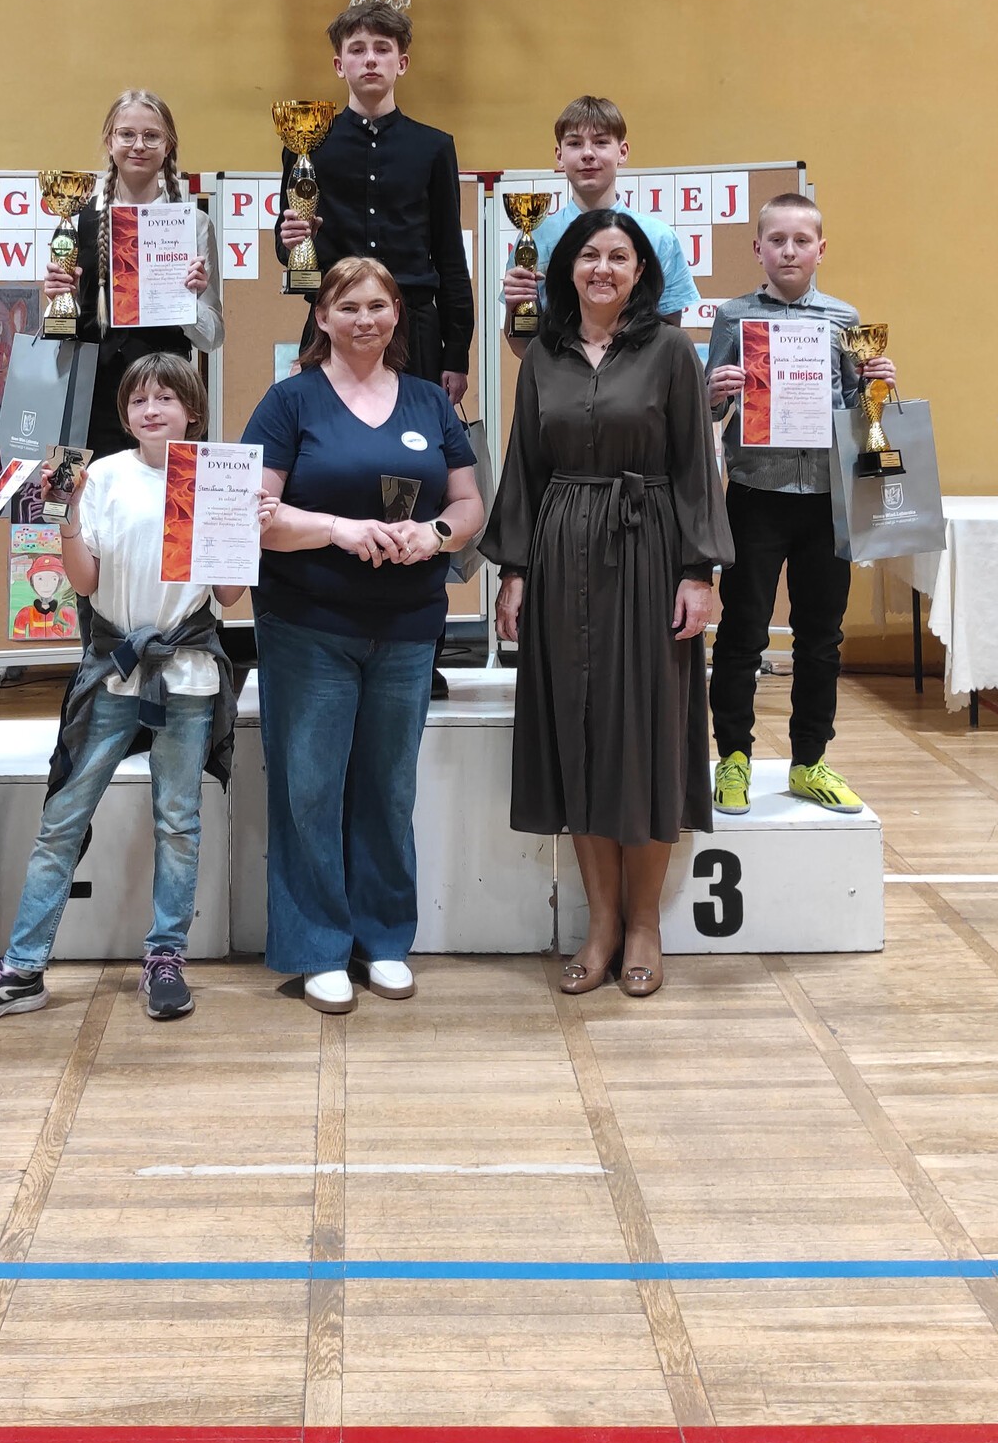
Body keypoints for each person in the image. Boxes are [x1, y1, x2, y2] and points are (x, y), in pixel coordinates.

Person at [0, 354, 242, 1030]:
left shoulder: (214, 475)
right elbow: (82, 583)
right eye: (139, 400)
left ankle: (165, 957)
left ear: (192, 409)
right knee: (63, 818)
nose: (151, 410)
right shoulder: (102, 475)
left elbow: (227, 596)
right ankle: (23, 968)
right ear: (125, 414)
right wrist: (68, 515)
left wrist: (234, 527)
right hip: (112, 669)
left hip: (187, 673)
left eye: (166, 398)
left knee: (178, 823)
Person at [481, 211, 730, 999]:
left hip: (649, 549)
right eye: (589, 254)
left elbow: (694, 465)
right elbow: (524, 465)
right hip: (561, 552)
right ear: (567, 267)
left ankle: (645, 923)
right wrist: (514, 572)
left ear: (641, 270)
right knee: (578, 729)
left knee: (647, 730)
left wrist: (699, 572)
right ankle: (601, 924)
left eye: (619, 256)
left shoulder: (671, 351)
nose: (603, 268)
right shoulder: (542, 354)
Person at [246, 257, 485, 1013]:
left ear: (396, 316)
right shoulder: (289, 401)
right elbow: (258, 516)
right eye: (347, 306)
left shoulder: (429, 401)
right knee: (310, 790)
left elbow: (470, 504)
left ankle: (383, 939)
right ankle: (317, 946)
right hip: (307, 624)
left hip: (408, 626)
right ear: (321, 317)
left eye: (378, 305)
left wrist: (435, 534)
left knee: (388, 787)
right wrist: (338, 530)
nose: (364, 319)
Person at [703, 191, 894, 815]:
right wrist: (715, 391)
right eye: (777, 240)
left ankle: (809, 760)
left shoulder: (844, 318)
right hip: (755, 495)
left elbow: (857, 411)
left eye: (801, 241)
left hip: (825, 501)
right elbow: (710, 410)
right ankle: (733, 757)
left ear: (820, 249)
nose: (789, 251)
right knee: (742, 632)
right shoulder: (734, 317)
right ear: (757, 248)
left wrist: (877, 386)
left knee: (821, 638)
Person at [276, 2, 474, 404]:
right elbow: (287, 252)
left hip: (414, 326)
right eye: (357, 49)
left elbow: (450, 257)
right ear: (339, 64)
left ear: (402, 63)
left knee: (414, 439)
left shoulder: (434, 148)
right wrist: (293, 241)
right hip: (335, 321)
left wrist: (456, 354)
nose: (370, 59)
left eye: (382, 49)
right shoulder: (307, 145)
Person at [43, 89, 224, 463]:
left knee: (170, 499)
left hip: (167, 398)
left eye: (151, 136)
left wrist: (186, 300)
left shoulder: (193, 224)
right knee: (83, 497)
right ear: (109, 141)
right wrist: (58, 301)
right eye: (127, 134)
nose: (138, 145)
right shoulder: (76, 220)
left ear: (168, 145)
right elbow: (58, 336)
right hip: (90, 398)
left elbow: (213, 337)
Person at [500, 95, 697, 336]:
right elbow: (524, 345)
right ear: (559, 156)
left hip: (637, 360)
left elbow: (669, 337)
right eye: (575, 143)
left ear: (622, 152)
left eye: (601, 142)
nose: (587, 154)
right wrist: (515, 304)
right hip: (556, 360)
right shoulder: (535, 238)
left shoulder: (659, 238)